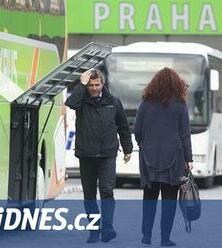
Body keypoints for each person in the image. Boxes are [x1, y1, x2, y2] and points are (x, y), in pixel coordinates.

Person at [65, 69, 133, 243]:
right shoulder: (81, 101)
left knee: (107, 191)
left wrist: (127, 148)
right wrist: (81, 83)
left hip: (107, 155)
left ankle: (107, 229)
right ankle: (94, 230)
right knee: (89, 195)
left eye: (97, 85)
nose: (94, 88)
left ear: (103, 84)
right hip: (86, 155)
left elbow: (123, 127)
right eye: (91, 85)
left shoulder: (113, 102)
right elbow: (70, 102)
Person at [134, 67, 193, 247]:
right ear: (177, 84)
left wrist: (145, 144)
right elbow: (185, 134)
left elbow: (137, 131)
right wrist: (188, 159)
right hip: (174, 159)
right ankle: (165, 239)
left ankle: (146, 235)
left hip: (149, 158)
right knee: (169, 201)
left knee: (149, 199)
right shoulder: (180, 105)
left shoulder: (145, 104)